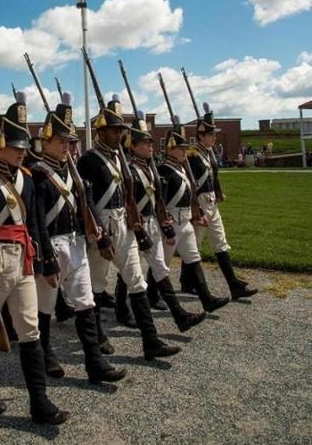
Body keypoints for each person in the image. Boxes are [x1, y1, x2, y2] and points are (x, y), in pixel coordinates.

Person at [0, 92, 69, 425]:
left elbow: (34, 222)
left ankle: (40, 403)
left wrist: (44, 261)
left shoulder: (28, 180)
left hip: (22, 259)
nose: (23, 151)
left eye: (25, 147)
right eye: (16, 147)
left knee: (30, 329)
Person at [77, 94, 181, 361]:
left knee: (137, 281)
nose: (119, 134)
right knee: (97, 285)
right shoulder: (89, 159)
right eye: (114, 130)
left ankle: (151, 341)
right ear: (101, 131)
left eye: (121, 130)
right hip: (104, 227)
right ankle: (98, 333)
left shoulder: (120, 158)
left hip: (124, 224)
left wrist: (138, 228)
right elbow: (86, 201)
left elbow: (129, 198)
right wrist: (99, 236)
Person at [32, 92, 126, 384]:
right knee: (45, 309)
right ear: (45, 141)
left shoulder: (71, 172)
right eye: (61, 141)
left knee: (86, 302)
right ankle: (46, 352)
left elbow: (85, 206)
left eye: (69, 141)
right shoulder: (37, 175)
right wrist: (45, 257)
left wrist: (98, 234)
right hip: (52, 247)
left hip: (76, 244)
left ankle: (94, 364)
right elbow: (36, 223)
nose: (67, 147)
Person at [115, 111, 207, 332]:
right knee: (126, 273)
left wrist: (164, 225)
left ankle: (180, 316)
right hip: (134, 227)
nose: (150, 146)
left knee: (161, 269)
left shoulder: (150, 169)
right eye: (145, 143)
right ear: (133, 146)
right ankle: (121, 309)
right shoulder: (130, 171)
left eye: (150, 143)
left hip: (152, 224)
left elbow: (157, 203)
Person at [185, 103, 258, 300]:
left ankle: (234, 285)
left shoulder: (208, 153)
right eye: (211, 135)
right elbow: (190, 184)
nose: (214, 138)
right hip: (198, 203)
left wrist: (218, 192)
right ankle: (186, 282)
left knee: (220, 242)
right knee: (194, 246)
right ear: (201, 135)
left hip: (211, 202)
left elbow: (212, 176)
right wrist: (196, 208)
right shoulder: (191, 155)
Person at [158, 119, 230, 312]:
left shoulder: (181, 168)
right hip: (172, 221)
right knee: (161, 263)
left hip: (186, 220)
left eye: (184, 148)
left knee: (194, 258)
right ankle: (151, 295)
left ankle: (206, 298)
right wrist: (165, 226)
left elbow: (190, 195)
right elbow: (161, 203)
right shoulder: (164, 170)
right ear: (170, 149)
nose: (184, 152)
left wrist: (196, 213)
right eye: (180, 149)